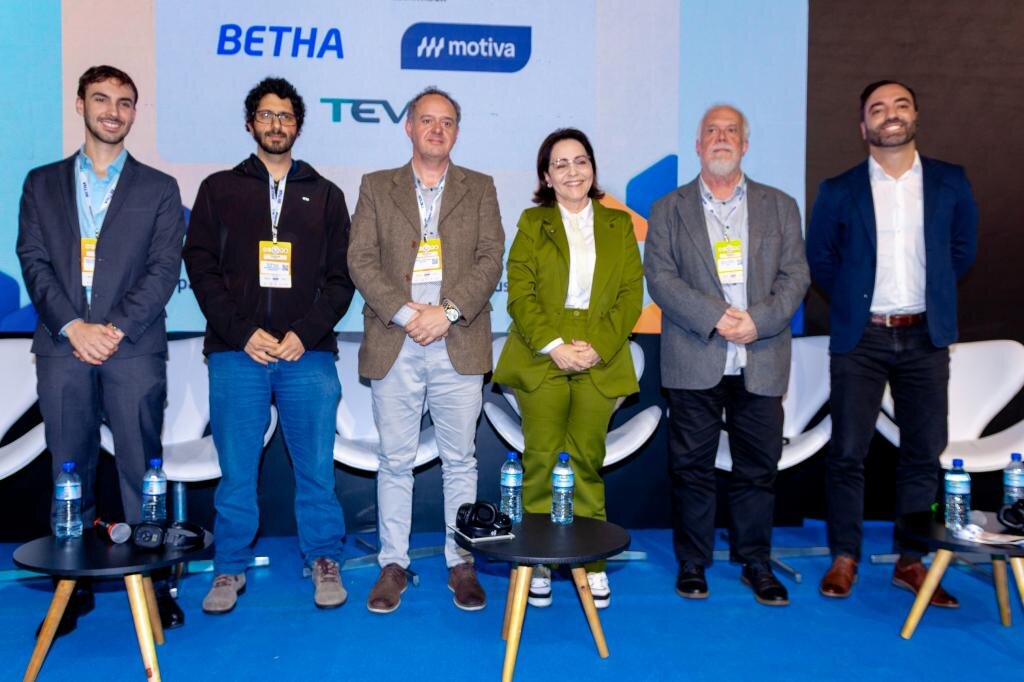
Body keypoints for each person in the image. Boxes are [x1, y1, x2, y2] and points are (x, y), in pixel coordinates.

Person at [17, 65, 187, 633]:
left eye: (124, 102)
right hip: (63, 347)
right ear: (80, 105)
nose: (113, 111)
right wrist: (73, 326)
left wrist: (111, 329)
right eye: (101, 99)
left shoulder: (159, 188)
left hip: (132, 347)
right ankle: (74, 587)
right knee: (70, 469)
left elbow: (163, 270)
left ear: (134, 112)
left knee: (143, 471)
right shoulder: (41, 183)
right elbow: (33, 260)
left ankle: (155, 584)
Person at [183, 77, 355, 614]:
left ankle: (323, 558)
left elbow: (341, 278)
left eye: (285, 116)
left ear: (297, 126)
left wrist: (304, 333)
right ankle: (229, 566)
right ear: (250, 123)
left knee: (316, 470)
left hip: (308, 354)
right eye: (266, 115)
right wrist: (242, 332)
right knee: (237, 472)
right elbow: (201, 268)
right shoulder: (219, 188)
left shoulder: (326, 195)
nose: (276, 124)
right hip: (238, 353)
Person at [807, 80, 978, 605]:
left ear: (915, 116)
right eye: (878, 109)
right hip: (862, 337)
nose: (891, 115)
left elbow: (962, 250)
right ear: (864, 127)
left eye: (900, 105)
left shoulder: (950, 181)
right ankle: (845, 556)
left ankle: (911, 560)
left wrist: (931, 296)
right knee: (847, 453)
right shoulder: (840, 189)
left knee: (923, 453)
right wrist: (858, 302)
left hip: (926, 335)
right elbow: (822, 260)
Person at [645, 104, 809, 606]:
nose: (721, 138)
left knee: (758, 468)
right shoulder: (668, 208)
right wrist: (718, 316)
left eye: (731, 131)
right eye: (711, 131)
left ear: (745, 144)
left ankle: (755, 561)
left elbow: (796, 276)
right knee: (691, 467)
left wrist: (758, 320)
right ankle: (693, 562)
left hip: (761, 353)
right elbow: (661, 278)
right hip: (695, 352)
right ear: (698, 145)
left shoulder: (780, 205)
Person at [348, 86, 504, 613]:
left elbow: (490, 259)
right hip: (396, 339)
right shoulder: (376, 186)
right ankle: (393, 563)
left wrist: (448, 312)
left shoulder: (480, 187)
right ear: (409, 126)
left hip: (457, 338)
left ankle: (461, 562)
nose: (437, 129)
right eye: (427, 120)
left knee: (461, 460)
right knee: (394, 460)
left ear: (456, 131)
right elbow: (360, 259)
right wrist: (407, 313)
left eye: (447, 122)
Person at [493, 128, 642, 609]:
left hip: (601, 351)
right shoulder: (532, 222)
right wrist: (555, 345)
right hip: (543, 353)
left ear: (593, 169)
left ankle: (592, 565)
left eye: (581, 161)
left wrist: (598, 347)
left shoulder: (618, 224)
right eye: (561, 164)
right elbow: (520, 294)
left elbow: (630, 296)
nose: (572, 171)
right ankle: (538, 563)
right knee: (540, 461)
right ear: (546, 176)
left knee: (586, 463)